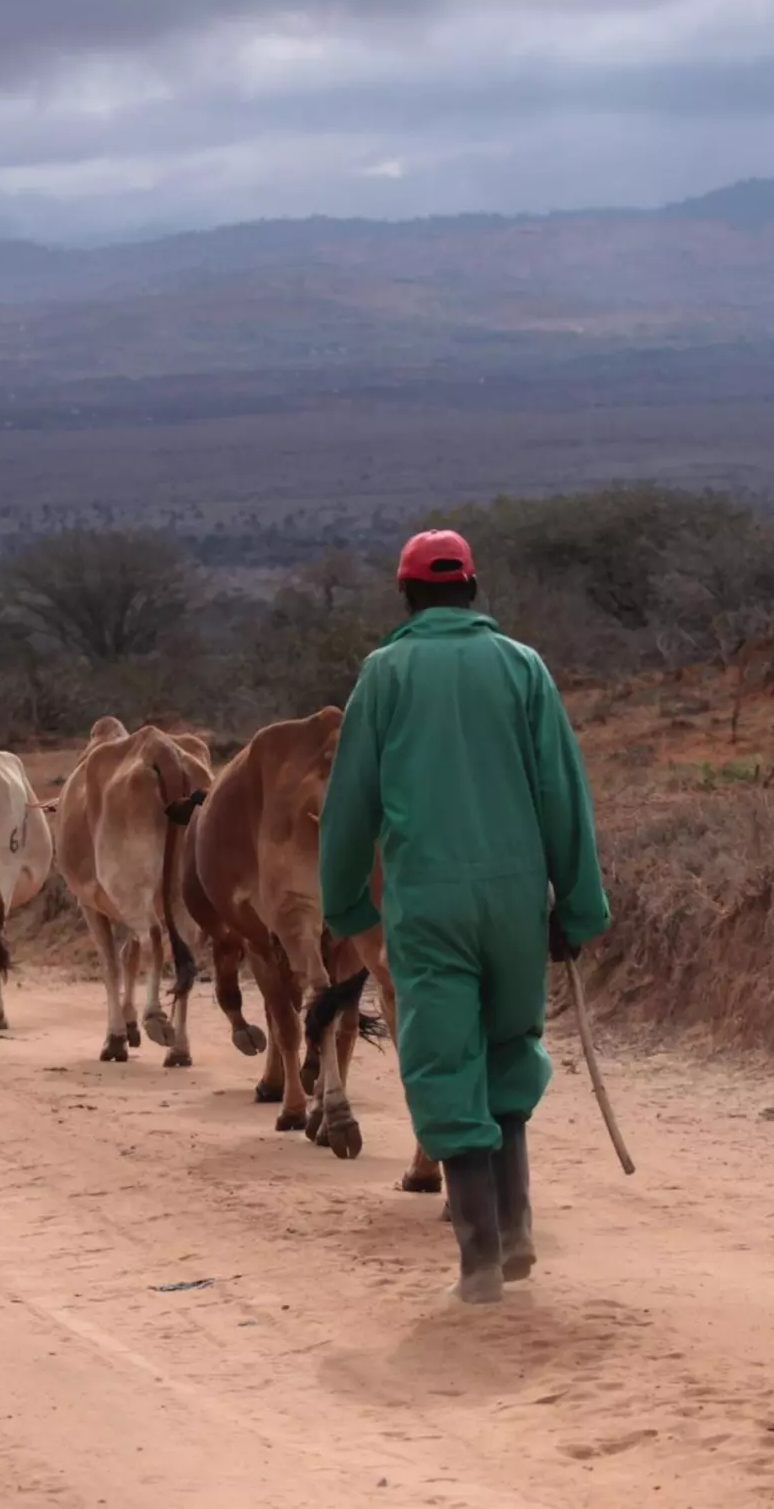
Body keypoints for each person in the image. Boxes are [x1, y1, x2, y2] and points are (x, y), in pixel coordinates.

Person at [320, 528, 610, 1305]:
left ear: (407, 594)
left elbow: (350, 805)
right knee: (509, 1047)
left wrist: (345, 902)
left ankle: (480, 1258)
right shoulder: (523, 667)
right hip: (516, 898)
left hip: (429, 900)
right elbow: (563, 792)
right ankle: (516, 1229)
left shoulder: (383, 675)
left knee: (444, 1057)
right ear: (472, 588)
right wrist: (578, 907)